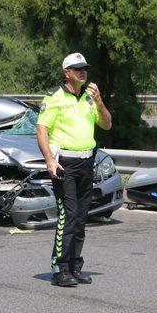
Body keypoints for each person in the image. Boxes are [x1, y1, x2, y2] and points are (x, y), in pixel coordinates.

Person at [36, 52, 112, 287]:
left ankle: (74, 266)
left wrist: (99, 101)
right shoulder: (55, 97)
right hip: (64, 163)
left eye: (85, 68)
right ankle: (59, 268)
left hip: (86, 162)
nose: (83, 71)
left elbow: (107, 124)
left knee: (80, 217)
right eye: (77, 68)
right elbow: (41, 130)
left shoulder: (90, 98)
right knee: (67, 216)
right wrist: (49, 160)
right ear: (66, 72)